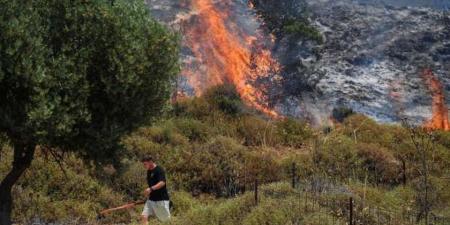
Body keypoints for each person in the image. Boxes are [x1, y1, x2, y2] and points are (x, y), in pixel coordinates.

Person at [140, 155, 171, 224]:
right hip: (151, 200)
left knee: (165, 221)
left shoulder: (159, 170)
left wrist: (151, 189)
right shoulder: (149, 171)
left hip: (161, 200)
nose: (144, 166)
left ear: (150, 162)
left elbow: (162, 182)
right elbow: (151, 185)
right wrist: (148, 193)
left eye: (145, 164)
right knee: (143, 216)